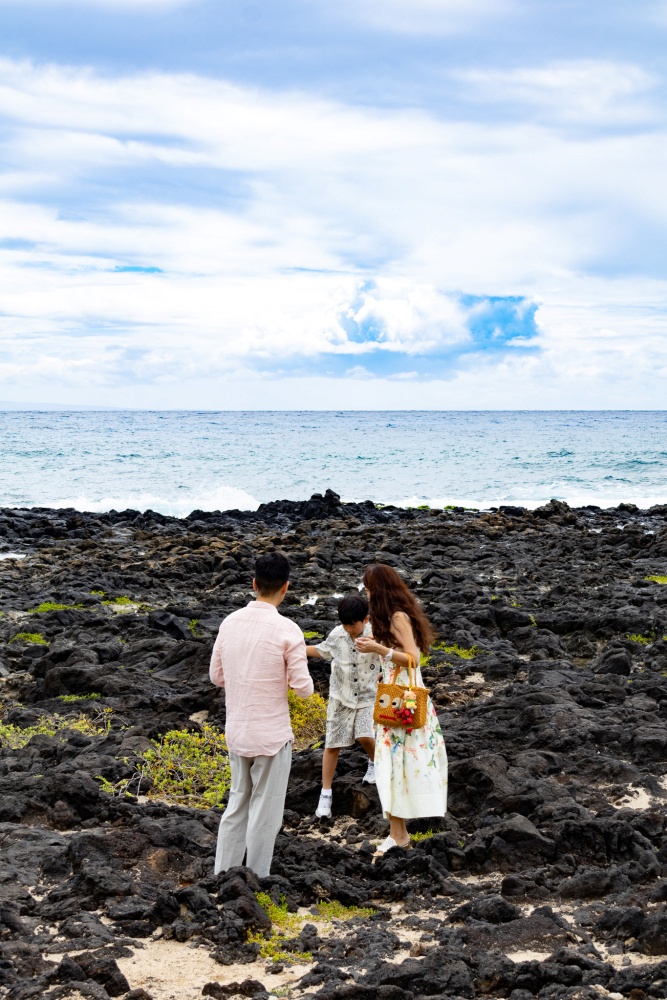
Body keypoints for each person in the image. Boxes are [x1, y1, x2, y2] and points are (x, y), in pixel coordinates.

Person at [209, 551, 313, 878]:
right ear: (285, 588)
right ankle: (255, 881)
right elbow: (303, 688)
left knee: (236, 807)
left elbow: (217, 676)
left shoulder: (230, 622)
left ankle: (222, 876)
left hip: (238, 731)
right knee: (265, 815)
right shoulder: (289, 630)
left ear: (254, 584)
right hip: (272, 735)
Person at [356, 563, 448, 856]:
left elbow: (414, 658)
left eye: (368, 588)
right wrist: (385, 667)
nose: (366, 593)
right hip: (396, 695)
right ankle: (398, 833)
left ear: (378, 590)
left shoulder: (398, 617)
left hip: (405, 702)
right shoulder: (390, 617)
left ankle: (399, 834)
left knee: (392, 762)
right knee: (389, 763)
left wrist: (378, 650)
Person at [305, 595, 380, 819]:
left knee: (366, 735)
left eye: (353, 625)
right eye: (345, 625)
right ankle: (325, 794)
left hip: (368, 696)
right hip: (340, 697)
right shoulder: (338, 635)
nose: (349, 629)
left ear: (366, 619)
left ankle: (375, 762)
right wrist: (294, 648)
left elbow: (393, 651)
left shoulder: (375, 634)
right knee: (332, 744)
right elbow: (322, 650)